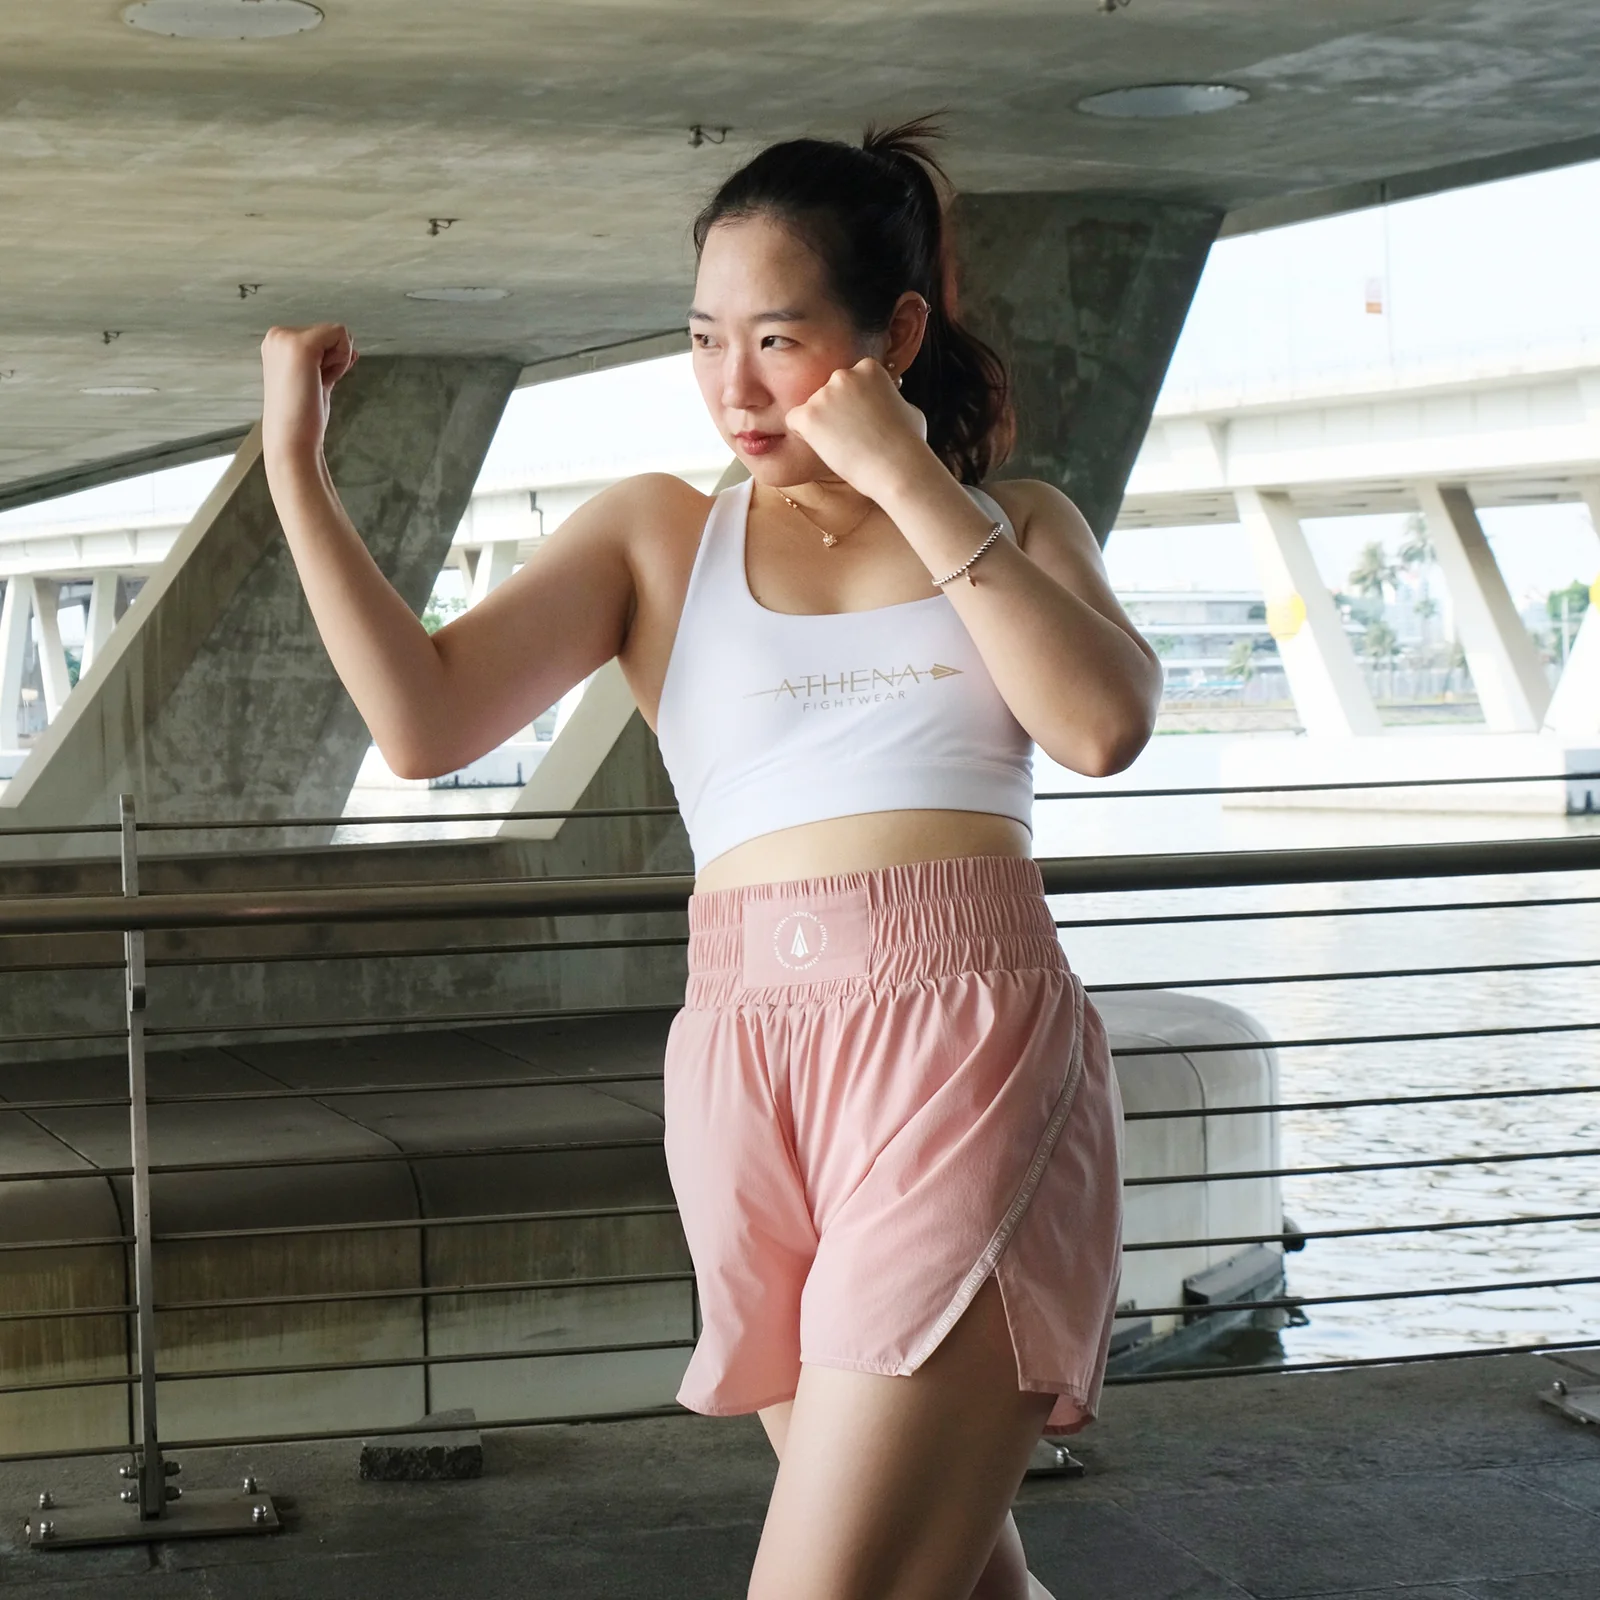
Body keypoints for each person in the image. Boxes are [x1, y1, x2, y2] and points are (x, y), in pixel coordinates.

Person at [260, 116, 1161, 1600]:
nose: (733, 386)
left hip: (968, 1054)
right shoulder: (657, 537)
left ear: (894, 336)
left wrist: (909, 478)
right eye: (702, 340)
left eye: (778, 340)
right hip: (748, 1071)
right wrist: (297, 470)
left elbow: (1103, 725)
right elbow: (423, 723)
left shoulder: (1018, 526)